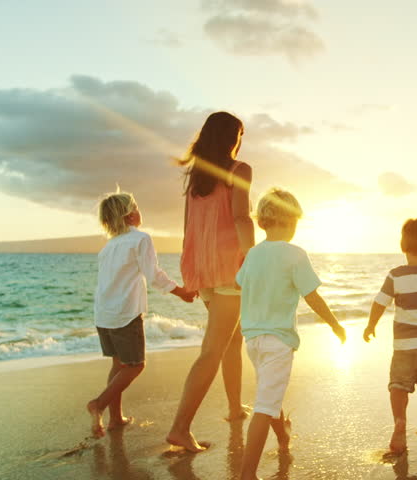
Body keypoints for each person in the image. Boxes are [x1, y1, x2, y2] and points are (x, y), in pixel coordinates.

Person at [235, 188, 347, 480]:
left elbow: (239, 284)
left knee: (268, 394)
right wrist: (334, 324)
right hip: (278, 341)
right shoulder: (295, 254)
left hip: (253, 341)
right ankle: (247, 474)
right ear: (289, 220)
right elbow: (312, 296)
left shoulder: (252, 254)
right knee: (264, 404)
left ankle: (283, 435)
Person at [166, 112, 255, 452]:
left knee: (232, 340)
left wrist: (190, 271)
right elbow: (241, 217)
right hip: (232, 266)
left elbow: (188, 229)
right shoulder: (238, 170)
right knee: (213, 349)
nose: (240, 141)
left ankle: (234, 408)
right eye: (240, 134)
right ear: (232, 137)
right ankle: (180, 427)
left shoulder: (196, 177)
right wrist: (254, 258)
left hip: (203, 267)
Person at [88, 191, 195, 438]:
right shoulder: (140, 239)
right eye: (136, 206)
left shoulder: (109, 247)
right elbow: (153, 273)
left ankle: (116, 418)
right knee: (135, 365)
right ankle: (99, 404)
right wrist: (181, 291)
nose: (139, 210)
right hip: (125, 313)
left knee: (118, 364)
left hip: (103, 315)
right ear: (130, 214)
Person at [363, 218, 417, 453]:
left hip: (404, 345)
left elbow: (379, 302)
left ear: (403, 244)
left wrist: (370, 325)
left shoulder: (395, 276)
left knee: (398, 385)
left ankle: (400, 422)